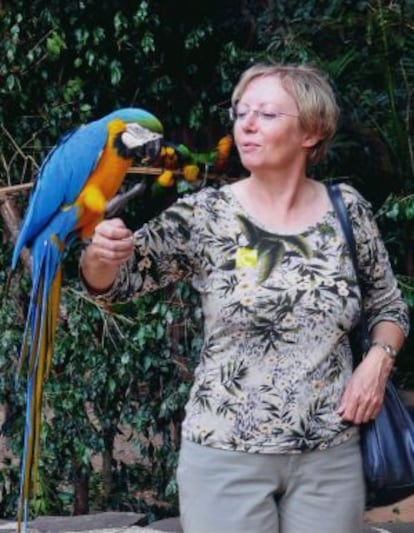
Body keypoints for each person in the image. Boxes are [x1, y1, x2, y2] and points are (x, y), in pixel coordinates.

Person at [79, 63, 410, 533]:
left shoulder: (347, 209)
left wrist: (378, 360)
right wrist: (102, 254)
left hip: (330, 458)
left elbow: (389, 306)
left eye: (268, 114)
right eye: (241, 112)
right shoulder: (206, 214)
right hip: (225, 457)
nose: (246, 125)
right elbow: (113, 283)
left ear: (312, 133)